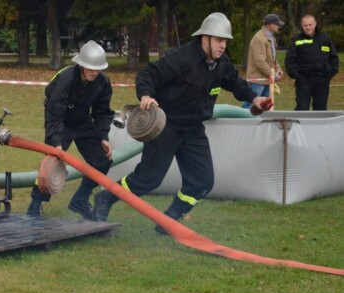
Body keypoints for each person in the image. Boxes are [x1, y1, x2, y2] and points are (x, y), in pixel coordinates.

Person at [93, 13, 273, 233]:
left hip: (194, 129)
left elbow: (237, 84)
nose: (223, 45)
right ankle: (105, 198)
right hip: (166, 126)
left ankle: (167, 222)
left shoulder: (221, 63)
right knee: (148, 180)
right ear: (204, 38)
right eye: (218, 40)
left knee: (202, 182)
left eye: (225, 41)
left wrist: (256, 99)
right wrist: (146, 95)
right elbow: (148, 74)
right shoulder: (181, 57)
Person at [26, 40, 115, 220]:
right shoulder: (65, 80)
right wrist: (56, 143)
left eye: (98, 69)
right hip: (61, 123)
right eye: (90, 68)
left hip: (82, 122)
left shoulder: (103, 82)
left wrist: (103, 137)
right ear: (81, 65)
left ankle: (80, 200)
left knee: (102, 161)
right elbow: (54, 113)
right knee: (50, 166)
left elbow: (102, 112)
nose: (94, 73)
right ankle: (34, 206)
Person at [285, 15, 339, 111]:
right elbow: (290, 61)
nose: (308, 27)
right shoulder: (297, 39)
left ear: (315, 24)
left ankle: (319, 126)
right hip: (303, 81)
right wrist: (298, 77)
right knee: (302, 109)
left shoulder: (325, 38)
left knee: (321, 110)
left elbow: (334, 58)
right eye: (305, 25)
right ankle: (300, 126)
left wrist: (328, 75)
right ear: (302, 25)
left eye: (310, 25)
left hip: (322, 81)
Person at [241, 13, 285, 109]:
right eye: (277, 24)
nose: (279, 26)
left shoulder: (271, 38)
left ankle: (262, 124)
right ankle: (242, 124)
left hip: (266, 80)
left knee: (265, 107)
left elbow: (273, 57)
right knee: (250, 105)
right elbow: (259, 62)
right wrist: (273, 75)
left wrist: (279, 69)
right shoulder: (259, 39)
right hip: (257, 80)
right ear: (270, 25)